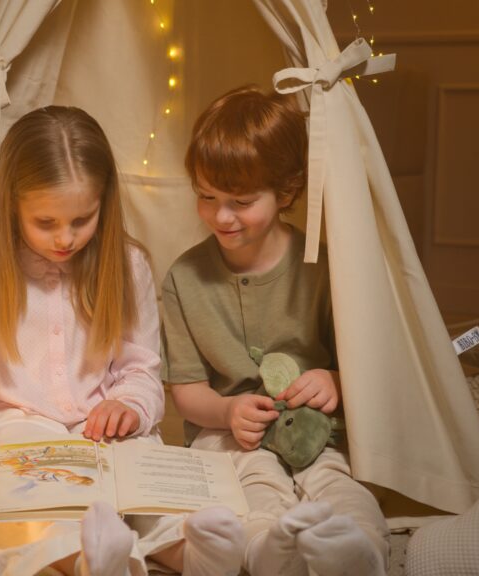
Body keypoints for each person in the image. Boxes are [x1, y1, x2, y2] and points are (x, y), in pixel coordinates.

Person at [0, 106, 245, 576]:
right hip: (18, 424)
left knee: (152, 480)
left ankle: (197, 554)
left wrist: (130, 404)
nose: (65, 238)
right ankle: (94, 562)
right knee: (37, 507)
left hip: (104, 424)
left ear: (104, 202)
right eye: (45, 223)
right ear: (11, 205)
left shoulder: (128, 265)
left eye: (82, 219)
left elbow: (141, 368)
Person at [160, 86, 390, 576]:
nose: (221, 216)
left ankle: (357, 549)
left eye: (241, 201)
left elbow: (370, 363)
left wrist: (334, 378)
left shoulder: (324, 267)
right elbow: (186, 393)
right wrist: (227, 410)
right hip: (229, 436)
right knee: (250, 488)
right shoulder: (183, 278)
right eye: (206, 197)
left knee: (339, 479)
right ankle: (268, 552)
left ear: (285, 192)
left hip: (317, 429)